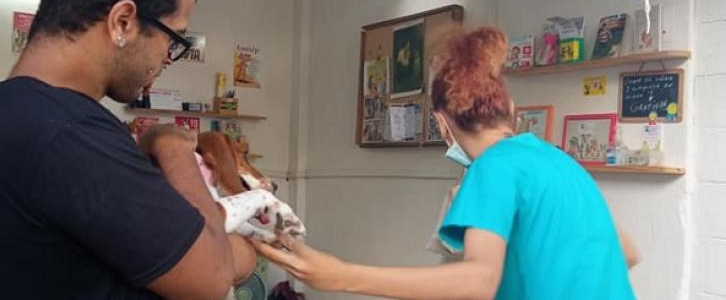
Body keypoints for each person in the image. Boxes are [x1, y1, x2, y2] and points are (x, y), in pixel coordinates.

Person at [0, 0, 275, 299]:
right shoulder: (68, 135)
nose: (167, 58)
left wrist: (235, 253)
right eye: (173, 39)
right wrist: (173, 147)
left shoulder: (10, 110)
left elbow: (231, 261)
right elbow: (213, 277)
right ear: (123, 21)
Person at [254, 27, 639, 300]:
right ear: (511, 110)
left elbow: (478, 281)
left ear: (441, 123)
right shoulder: (560, 163)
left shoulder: (493, 167)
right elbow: (626, 251)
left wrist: (341, 276)